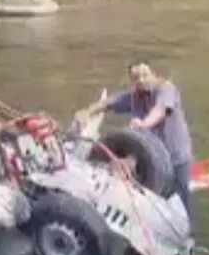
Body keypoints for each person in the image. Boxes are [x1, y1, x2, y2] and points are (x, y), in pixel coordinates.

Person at [78, 60, 196, 224]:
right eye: (136, 77)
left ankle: (189, 238)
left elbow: (160, 110)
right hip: (153, 160)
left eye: (144, 75)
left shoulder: (166, 89)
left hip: (176, 156)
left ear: (154, 75)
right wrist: (88, 112)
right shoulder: (134, 96)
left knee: (181, 201)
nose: (141, 80)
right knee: (155, 204)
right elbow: (110, 103)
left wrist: (144, 124)